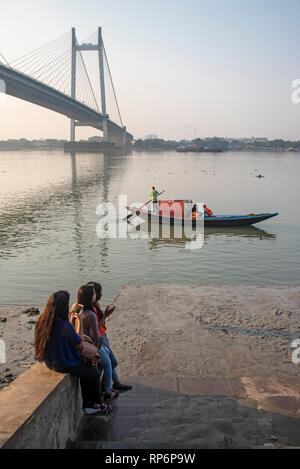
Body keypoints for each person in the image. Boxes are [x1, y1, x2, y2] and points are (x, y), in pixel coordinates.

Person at [34, 290, 112, 415]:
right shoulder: (65, 325)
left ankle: (90, 403)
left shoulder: (42, 320)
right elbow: (79, 344)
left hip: (49, 361)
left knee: (86, 372)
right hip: (64, 363)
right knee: (94, 373)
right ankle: (94, 404)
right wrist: (79, 322)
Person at [72, 284, 119, 402]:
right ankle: (108, 391)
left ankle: (105, 387)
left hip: (81, 342)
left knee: (106, 360)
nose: (95, 295)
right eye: (93, 294)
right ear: (90, 297)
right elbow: (96, 335)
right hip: (91, 345)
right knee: (108, 363)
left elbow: (73, 321)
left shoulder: (77, 308)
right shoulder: (91, 315)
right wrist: (101, 343)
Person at [87, 281, 132, 394]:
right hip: (98, 339)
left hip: (102, 335)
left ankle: (112, 383)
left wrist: (105, 314)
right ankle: (107, 389)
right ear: (94, 294)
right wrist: (105, 315)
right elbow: (94, 328)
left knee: (109, 363)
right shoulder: (88, 310)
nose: (101, 294)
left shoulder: (95, 306)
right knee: (110, 363)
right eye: (99, 292)